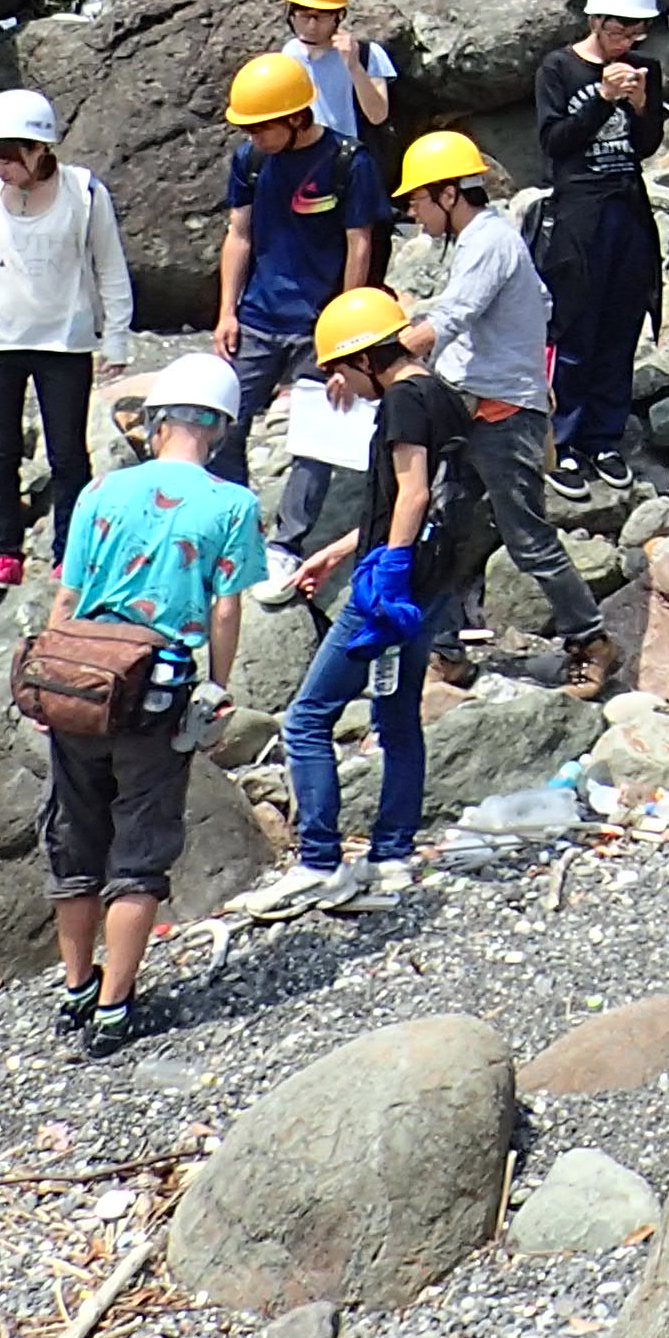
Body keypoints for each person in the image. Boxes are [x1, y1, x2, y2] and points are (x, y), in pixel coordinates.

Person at [38, 350, 259, 1057]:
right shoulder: (231, 505)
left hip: (77, 675)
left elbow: (66, 595)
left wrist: (51, 668)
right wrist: (217, 687)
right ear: (219, 430)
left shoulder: (101, 492)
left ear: (157, 422)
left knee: (74, 838)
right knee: (140, 847)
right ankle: (114, 1009)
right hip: (156, 686)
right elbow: (225, 608)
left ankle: (75, 987)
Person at [227, 287, 451, 919]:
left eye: (338, 369)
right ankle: (392, 856)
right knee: (398, 717)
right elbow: (427, 496)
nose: (337, 382)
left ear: (364, 358)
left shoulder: (403, 402)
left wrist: (387, 567)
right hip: (429, 582)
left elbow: (410, 494)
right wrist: (341, 551)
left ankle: (320, 864)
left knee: (306, 719)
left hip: (391, 583)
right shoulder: (439, 394)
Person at [390, 128, 615, 697]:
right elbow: (528, 304)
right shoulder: (481, 241)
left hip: (505, 413)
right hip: (477, 404)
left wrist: (389, 358)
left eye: (417, 200)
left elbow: (456, 315)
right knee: (448, 528)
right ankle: (449, 651)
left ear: (447, 194)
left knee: (527, 537)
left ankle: (591, 640)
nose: (415, 214)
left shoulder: (488, 242)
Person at [0, 86, 136, 602]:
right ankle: (1, 554)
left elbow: (109, 266)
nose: (0, 167)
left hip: (64, 340)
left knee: (68, 452)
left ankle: (69, 555)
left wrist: (115, 338)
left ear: (40, 149)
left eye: (9, 156)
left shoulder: (85, 192)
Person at [213, 51, 380, 598]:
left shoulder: (347, 163)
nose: (255, 135)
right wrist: (226, 312)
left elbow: (360, 243)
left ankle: (286, 544)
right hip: (259, 316)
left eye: (263, 125)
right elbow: (239, 235)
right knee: (226, 422)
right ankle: (234, 527)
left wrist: (347, 339)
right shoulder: (251, 161)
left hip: (320, 323)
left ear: (295, 117)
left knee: (315, 440)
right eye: (249, 127)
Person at [533, 0, 669, 486]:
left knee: (620, 324)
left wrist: (639, 106)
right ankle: (562, 440)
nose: (628, 42)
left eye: (637, 32)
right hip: (578, 213)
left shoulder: (643, 68)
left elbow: (645, 145)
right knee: (574, 327)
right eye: (619, 30)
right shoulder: (558, 69)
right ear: (596, 20)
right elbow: (555, 143)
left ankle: (603, 438)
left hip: (628, 209)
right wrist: (603, 99)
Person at [278, 0, 396, 148]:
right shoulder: (289, 53)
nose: (312, 25)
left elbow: (378, 115)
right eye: (304, 15)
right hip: (306, 158)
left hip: (349, 159)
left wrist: (354, 67)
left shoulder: (367, 54)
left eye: (322, 16)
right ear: (291, 14)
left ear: (338, 15)